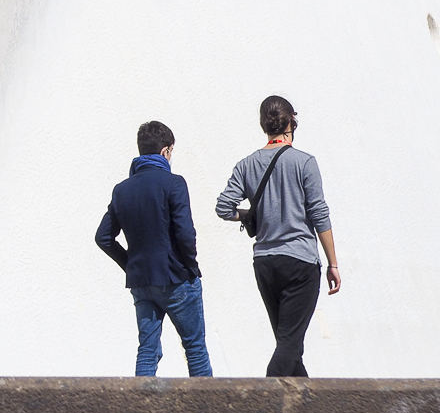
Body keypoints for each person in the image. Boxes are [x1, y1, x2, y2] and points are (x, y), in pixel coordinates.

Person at [216, 95, 340, 377]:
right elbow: (319, 214)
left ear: (264, 126)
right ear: (290, 123)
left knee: (290, 344)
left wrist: (246, 216)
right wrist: (333, 264)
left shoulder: (246, 165)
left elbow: (223, 207)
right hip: (300, 264)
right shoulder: (305, 162)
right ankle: (265, 400)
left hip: (265, 264)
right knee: (288, 344)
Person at [95, 120, 213, 377]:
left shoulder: (122, 190)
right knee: (195, 348)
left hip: (142, 283)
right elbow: (185, 233)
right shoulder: (174, 183)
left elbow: (103, 237)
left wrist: (131, 264)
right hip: (177, 279)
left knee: (147, 350)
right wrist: (190, 266)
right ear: (165, 152)